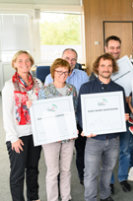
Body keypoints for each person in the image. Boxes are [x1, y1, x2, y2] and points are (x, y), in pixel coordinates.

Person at [77, 53, 129, 201]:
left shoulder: (119, 89)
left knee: (108, 170)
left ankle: (105, 195)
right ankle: (91, 198)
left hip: (113, 139)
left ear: (113, 68)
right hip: (94, 139)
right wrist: (85, 127)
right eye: (103, 65)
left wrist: (124, 117)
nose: (106, 69)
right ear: (97, 68)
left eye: (109, 65)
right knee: (91, 173)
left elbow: (123, 113)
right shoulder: (86, 88)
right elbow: (80, 112)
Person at [44, 48, 89, 185]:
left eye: (73, 59)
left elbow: (86, 99)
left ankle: (83, 176)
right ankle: (57, 181)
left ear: (77, 61)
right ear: (61, 58)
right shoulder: (49, 77)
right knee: (57, 155)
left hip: (78, 119)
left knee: (82, 150)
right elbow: (46, 104)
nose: (70, 61)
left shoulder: (83, 76)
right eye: (67, 58)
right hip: (59, 122)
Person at [2, 50, 42, 201]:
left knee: (33, 170)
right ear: (14, 64)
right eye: (20, 61)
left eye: (27, 60)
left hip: (35, 134)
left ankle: (33, 197)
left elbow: (42, 107)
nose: (24, 63)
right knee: (18, 173)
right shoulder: (9, 86)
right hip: (18, 135)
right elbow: (6, 115)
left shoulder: (38, 83)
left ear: (31, 63)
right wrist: (13, 138)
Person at [37, 58, 77, 201]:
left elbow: (75, 110)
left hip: (68, 136)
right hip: (50, 137)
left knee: (66, 170)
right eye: (59, 71)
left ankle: (66, 197)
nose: (62, 74)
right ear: (53, 72)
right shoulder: (44, 91)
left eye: (66, 72)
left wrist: (73, 128)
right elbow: (40, 115)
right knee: (53, 172)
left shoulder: (72, 90)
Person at [104, 35, 133, 193]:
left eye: (117, 48)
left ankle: (122, 177)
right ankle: (108, 181)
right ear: (106, 49)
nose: (115, 51)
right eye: (112, 48)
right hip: (108, 117)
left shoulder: (127, 65)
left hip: (125, 115)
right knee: (108, 152)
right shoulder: (101, 67)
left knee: (125, 149)